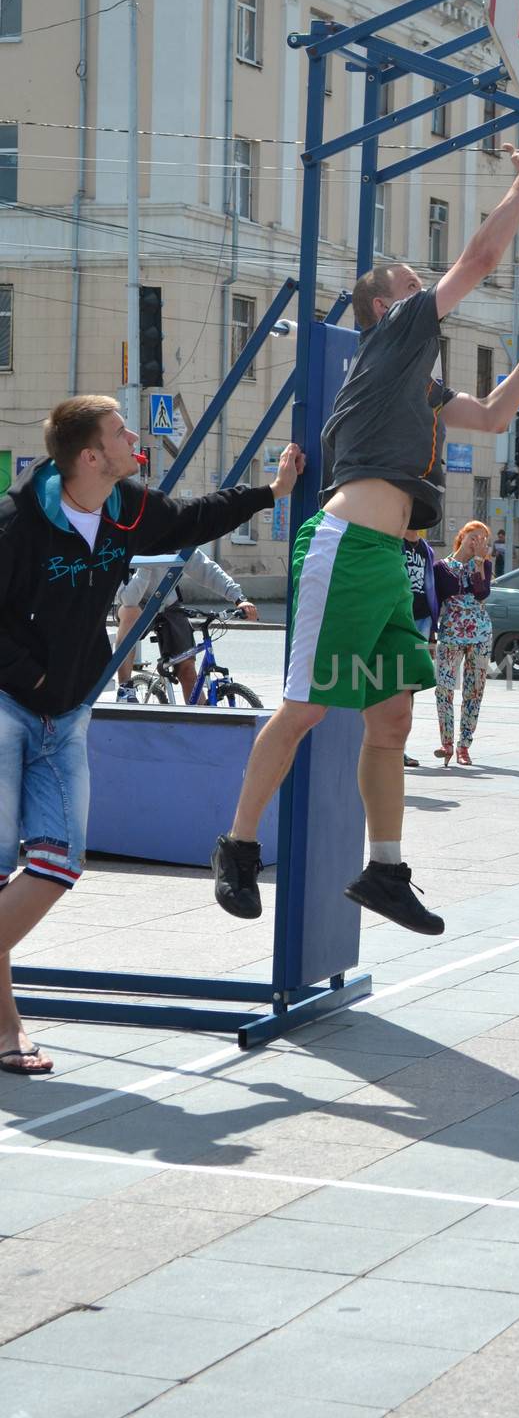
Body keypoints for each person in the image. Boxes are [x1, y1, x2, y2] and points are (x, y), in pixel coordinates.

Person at [211, 111, 519, 936]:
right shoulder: (392, 337)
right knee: (305, 707)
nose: (431, 293)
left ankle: (385, 873)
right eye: (417, 284)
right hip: (344, 548)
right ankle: (236, 845)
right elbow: (481, 258)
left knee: (393, 719)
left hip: (390, 557)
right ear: (386, 305)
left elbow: (489, 416)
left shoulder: (411, 386)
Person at [0, 396, 301, 1074]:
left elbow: (193, 516)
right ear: (89, 457)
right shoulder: (16, 525)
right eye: (121, 432)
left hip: (68, 713)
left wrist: (268, 492)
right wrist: (36, 682)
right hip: (6, 709)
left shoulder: (125, 506)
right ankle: (7, 1029)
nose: (135, 439)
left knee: (55, 867)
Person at [114, 548, 258, 704]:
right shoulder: (131, 541)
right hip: (135, 602)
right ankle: (125, 688)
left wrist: (239, 598)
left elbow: (207, 570)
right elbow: (129, 599)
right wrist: (146, 567)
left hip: (168, 603)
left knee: (187, 670)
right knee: (130, 612)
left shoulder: (179, 541)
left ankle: (201, 722)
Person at [434, 521, 493, 767]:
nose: (477, 541)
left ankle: (464, 746)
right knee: (443, 688)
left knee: (474, 691)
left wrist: (479, 563)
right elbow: (435, 600)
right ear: (462, 536)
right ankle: (446, 743)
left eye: (483, 539)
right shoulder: (441, 567)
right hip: (449, 633)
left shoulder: (484, 565)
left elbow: (481, 593)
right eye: (473, 536)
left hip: (479, 634)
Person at [402, 529, 459, 767]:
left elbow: (431, 589)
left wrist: (433, 634)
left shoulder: (426, 549)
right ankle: (384, 744)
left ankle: (399, 747)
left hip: (423, 620)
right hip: (400, 617)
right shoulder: (395, 543)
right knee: (391, 683)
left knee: (409, 687)